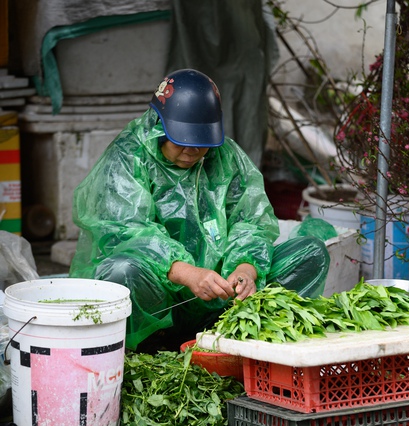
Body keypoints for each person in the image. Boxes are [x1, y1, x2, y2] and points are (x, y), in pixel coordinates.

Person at [69, 69, 330, 351]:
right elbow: (126, 233)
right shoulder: (129, 157)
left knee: (310, 254)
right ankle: (148, 349)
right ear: (159, 125)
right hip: (161, 302)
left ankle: (236, 339)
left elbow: (251, 220)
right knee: (121, 272)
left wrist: (245, 270)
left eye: (202, 142)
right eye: (182, 141)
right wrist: (188, 274)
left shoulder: (225, 156)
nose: (193, 151)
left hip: (222, 302)